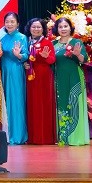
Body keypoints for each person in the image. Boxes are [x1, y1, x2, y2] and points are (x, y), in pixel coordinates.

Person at [53, 16, 89, 146]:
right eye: (60, 27)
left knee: (74, 103)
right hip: (59, 79)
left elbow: (84, 60)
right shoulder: (53, 44)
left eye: (65, 26)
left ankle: (76, 138)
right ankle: (63, 137)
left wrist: (78, 54)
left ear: (70, 28)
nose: (63, 29)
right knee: (61, 104)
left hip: (74, 77)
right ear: (56, 29)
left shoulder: (76, 42)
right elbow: (50, 62)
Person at [24, 17, 56, 145]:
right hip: (30, 78)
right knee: (32, 105)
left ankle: (44, 137)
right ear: (29, 28)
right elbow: (25, 58)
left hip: (43, 77)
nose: (36, 29)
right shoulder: (27, 42)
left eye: (38, 27)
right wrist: (25, 64)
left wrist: (46, 57)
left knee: (43, 105)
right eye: (33, 27)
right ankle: (33, 137)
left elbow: (52, 60)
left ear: (43, 29)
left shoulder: (47, 42)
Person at [0, 11, 29, 144]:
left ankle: (18, 136)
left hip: (16, 71)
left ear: (17, 23)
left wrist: (18, 55)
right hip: (4, 72)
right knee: (6, 103)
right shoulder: (2, 39)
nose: (9, 24)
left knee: (16, 102)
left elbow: (26, 55)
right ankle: (7, 134)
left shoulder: (22, 37)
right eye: (7, 22)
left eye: (12, 22)